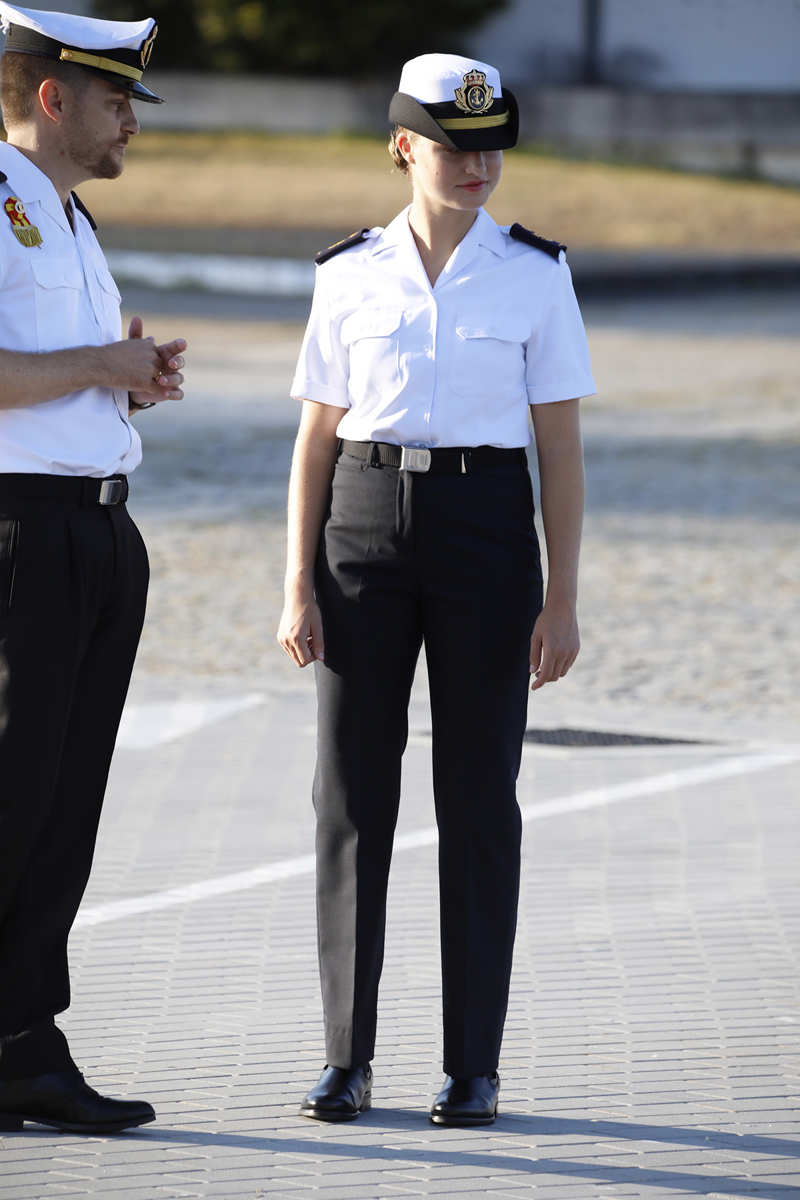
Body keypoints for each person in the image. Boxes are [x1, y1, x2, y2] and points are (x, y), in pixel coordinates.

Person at [278, 52, 595, 1127]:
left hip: (484, 533)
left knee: (477, 800)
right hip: (360, 530)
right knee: (351, 800)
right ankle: (345, 1058)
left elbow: (559, 446)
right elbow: (314, 435)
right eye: (455, 145)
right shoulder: (347, 272)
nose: (477, 165)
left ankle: (472, 1065)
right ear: (402, 144)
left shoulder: (535, 274)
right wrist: (296, 585)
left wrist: (560, 598)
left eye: (491, 145)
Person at [0, 3, 186, 1134]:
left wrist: (125, 377)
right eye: (116, 99)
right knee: (13, 801)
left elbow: (57, 375)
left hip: (95, 531)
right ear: (54, 96)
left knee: (62, 808)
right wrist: (94, 362)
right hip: (20, 536)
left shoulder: (69, 218)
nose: (131, 121)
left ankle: (23, 1041)